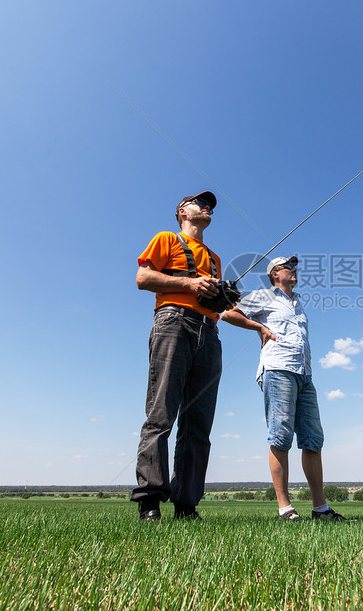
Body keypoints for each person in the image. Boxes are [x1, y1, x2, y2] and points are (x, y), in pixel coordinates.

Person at [221, 256, 347, 521]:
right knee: (280, 437)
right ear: (275, 273)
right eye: (289, 266)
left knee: (313, 440)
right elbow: (228, 313)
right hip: (278, 369)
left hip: (305, 374)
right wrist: (259, 326)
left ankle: (320, 509)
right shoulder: (265, 296)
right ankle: (284, 508)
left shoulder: (298, 303)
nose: (295, 270)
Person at [131, 190, 226, 521]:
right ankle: (150, 501)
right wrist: (191, 286)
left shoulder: (214, 257)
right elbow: (143, 278)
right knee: (162, 413)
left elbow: (216, 301)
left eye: (210, 205)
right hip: (173, 322)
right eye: (199, 203)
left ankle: (187, 504)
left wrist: (221, 294)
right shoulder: (166, 239)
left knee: (198, 422)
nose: (207, 208)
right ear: (182, 212)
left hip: (209, 332)